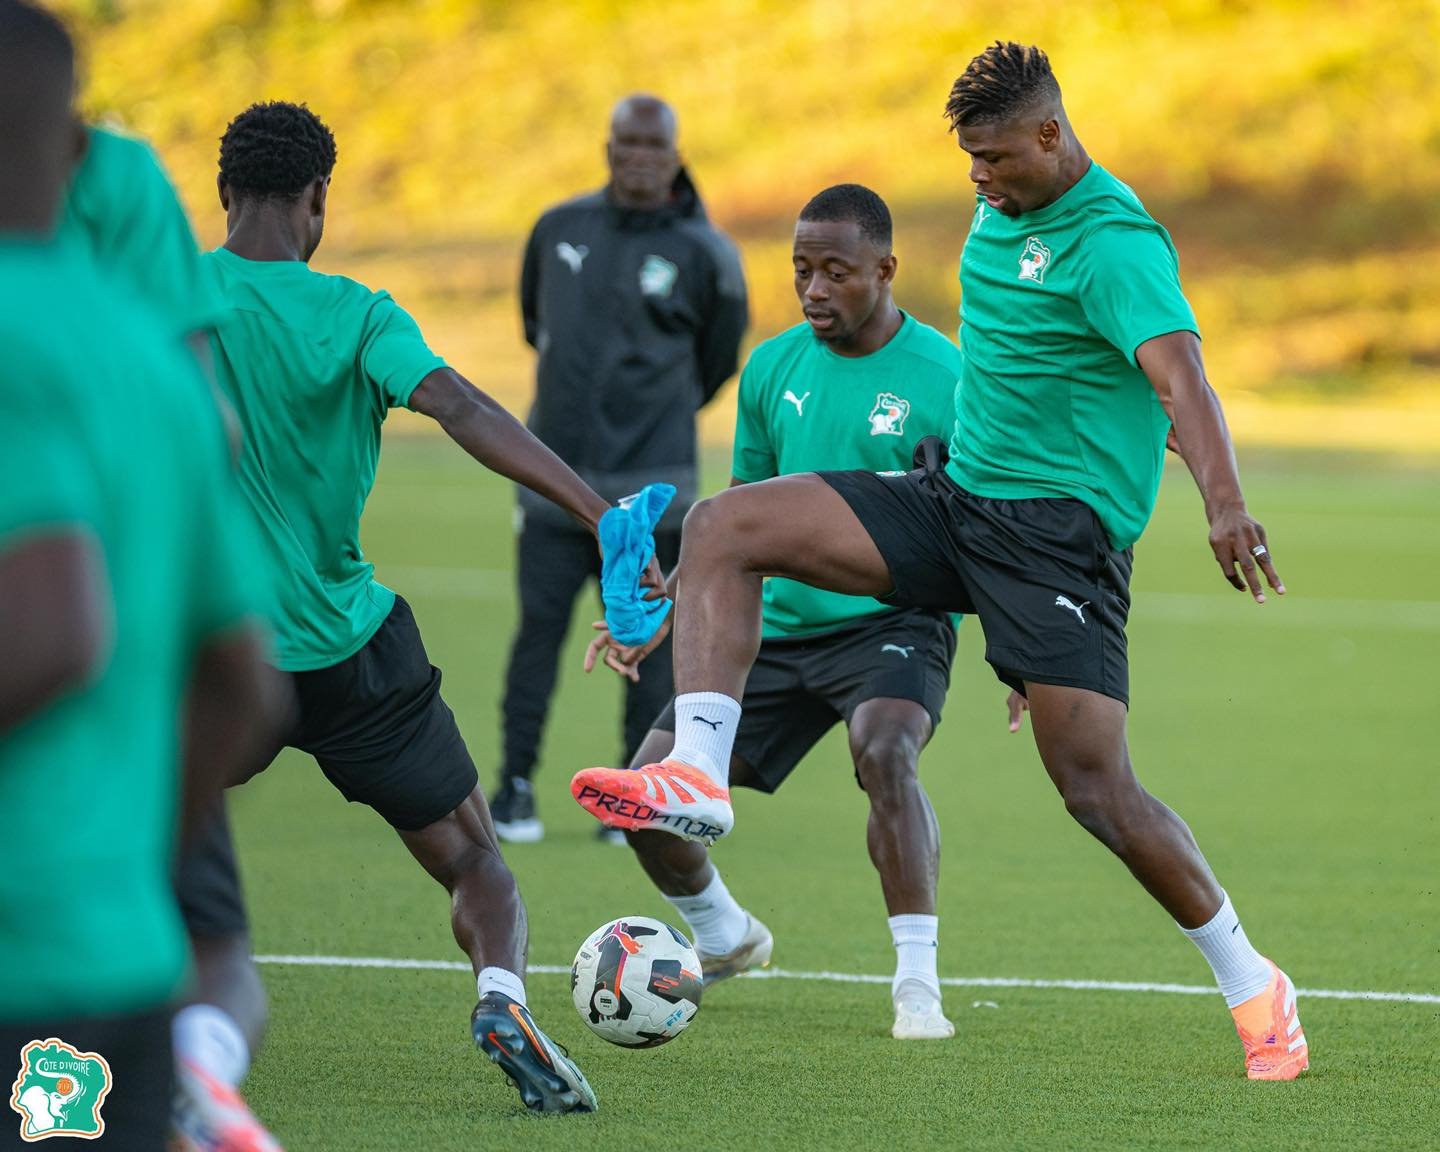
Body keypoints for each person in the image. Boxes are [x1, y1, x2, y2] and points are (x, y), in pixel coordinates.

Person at [573, 42, 1308, 1081]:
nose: (979, 177)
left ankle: (1253, 981)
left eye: (996, 157)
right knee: (722, 526)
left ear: (1051, 135)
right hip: (955, 502)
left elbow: (1179, 377)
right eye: (970, 158)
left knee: (1096, 791)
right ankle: (697, 768)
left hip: (1057, 546)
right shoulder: (999, 206)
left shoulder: (1114, 243)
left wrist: (1224, 504)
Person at [175, 100, 661, 1116]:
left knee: (136, 845)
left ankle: (148, 1041)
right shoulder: (360, 315)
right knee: (476, 859)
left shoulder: (168, 298)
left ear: (223, 193)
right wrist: (600, 513)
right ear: (318, 198)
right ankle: (501, 998)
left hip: (218, 657)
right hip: (352, 652)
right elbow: (462, 408)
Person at [586, 183, 1026, 1040]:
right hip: (776, 631)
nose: (814, 289)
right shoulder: (771, 368)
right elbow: (738, 520)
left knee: (886, 753)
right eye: (801, 270)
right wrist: (672, 606)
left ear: (886, 271)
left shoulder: (950, 378)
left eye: (836, 272)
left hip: (894, 620)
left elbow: (987, 526)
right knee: (641, 801)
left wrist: (1018, 653)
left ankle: (917, 986)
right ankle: (726, 934)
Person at [0, 4, 285, 1148]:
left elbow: (51, 627)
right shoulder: (159, 369)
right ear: (77, 149)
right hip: (113, 958)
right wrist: (135, 852)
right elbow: (245, 678)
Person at [491, 93, 748, 844]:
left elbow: (718, 357)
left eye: (652, 145)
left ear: (676, 155)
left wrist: (653, 415)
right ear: (608, 148)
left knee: (650, 643)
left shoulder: (705, 251)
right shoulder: (557, 228)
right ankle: (513, 788)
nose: (638, 157)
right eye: (626, 143)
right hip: (555, 483)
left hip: (653, 492)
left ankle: (635, 795)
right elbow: (536, 326)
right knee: (537, 635)